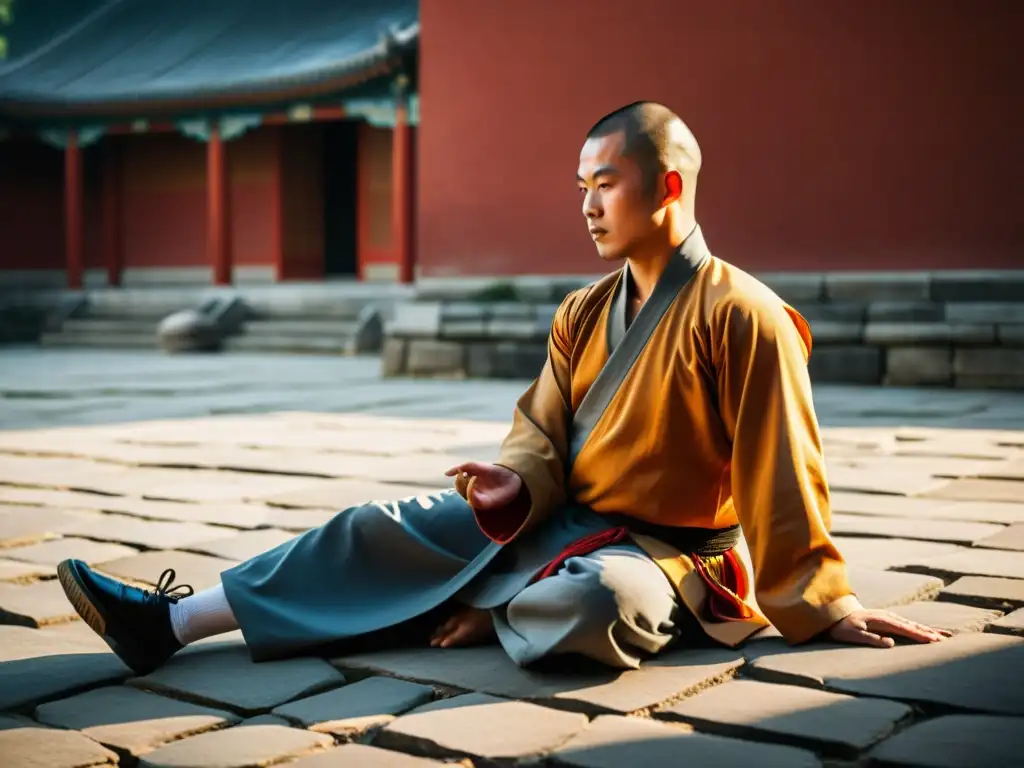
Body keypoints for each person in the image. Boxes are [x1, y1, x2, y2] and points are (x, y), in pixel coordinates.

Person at [57, 101, 949, 677]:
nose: (589, 205)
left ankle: (486, 609)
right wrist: (515, 481)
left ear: (669, 188)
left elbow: (784, 472)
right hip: (557, 519)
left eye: (606, 183)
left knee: (587, 604)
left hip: (665, 557)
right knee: (376, 526)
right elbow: (541, 430)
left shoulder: (742, 314)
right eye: (581, 187)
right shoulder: (584, 309)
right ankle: (168, 624)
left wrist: (826, 603)